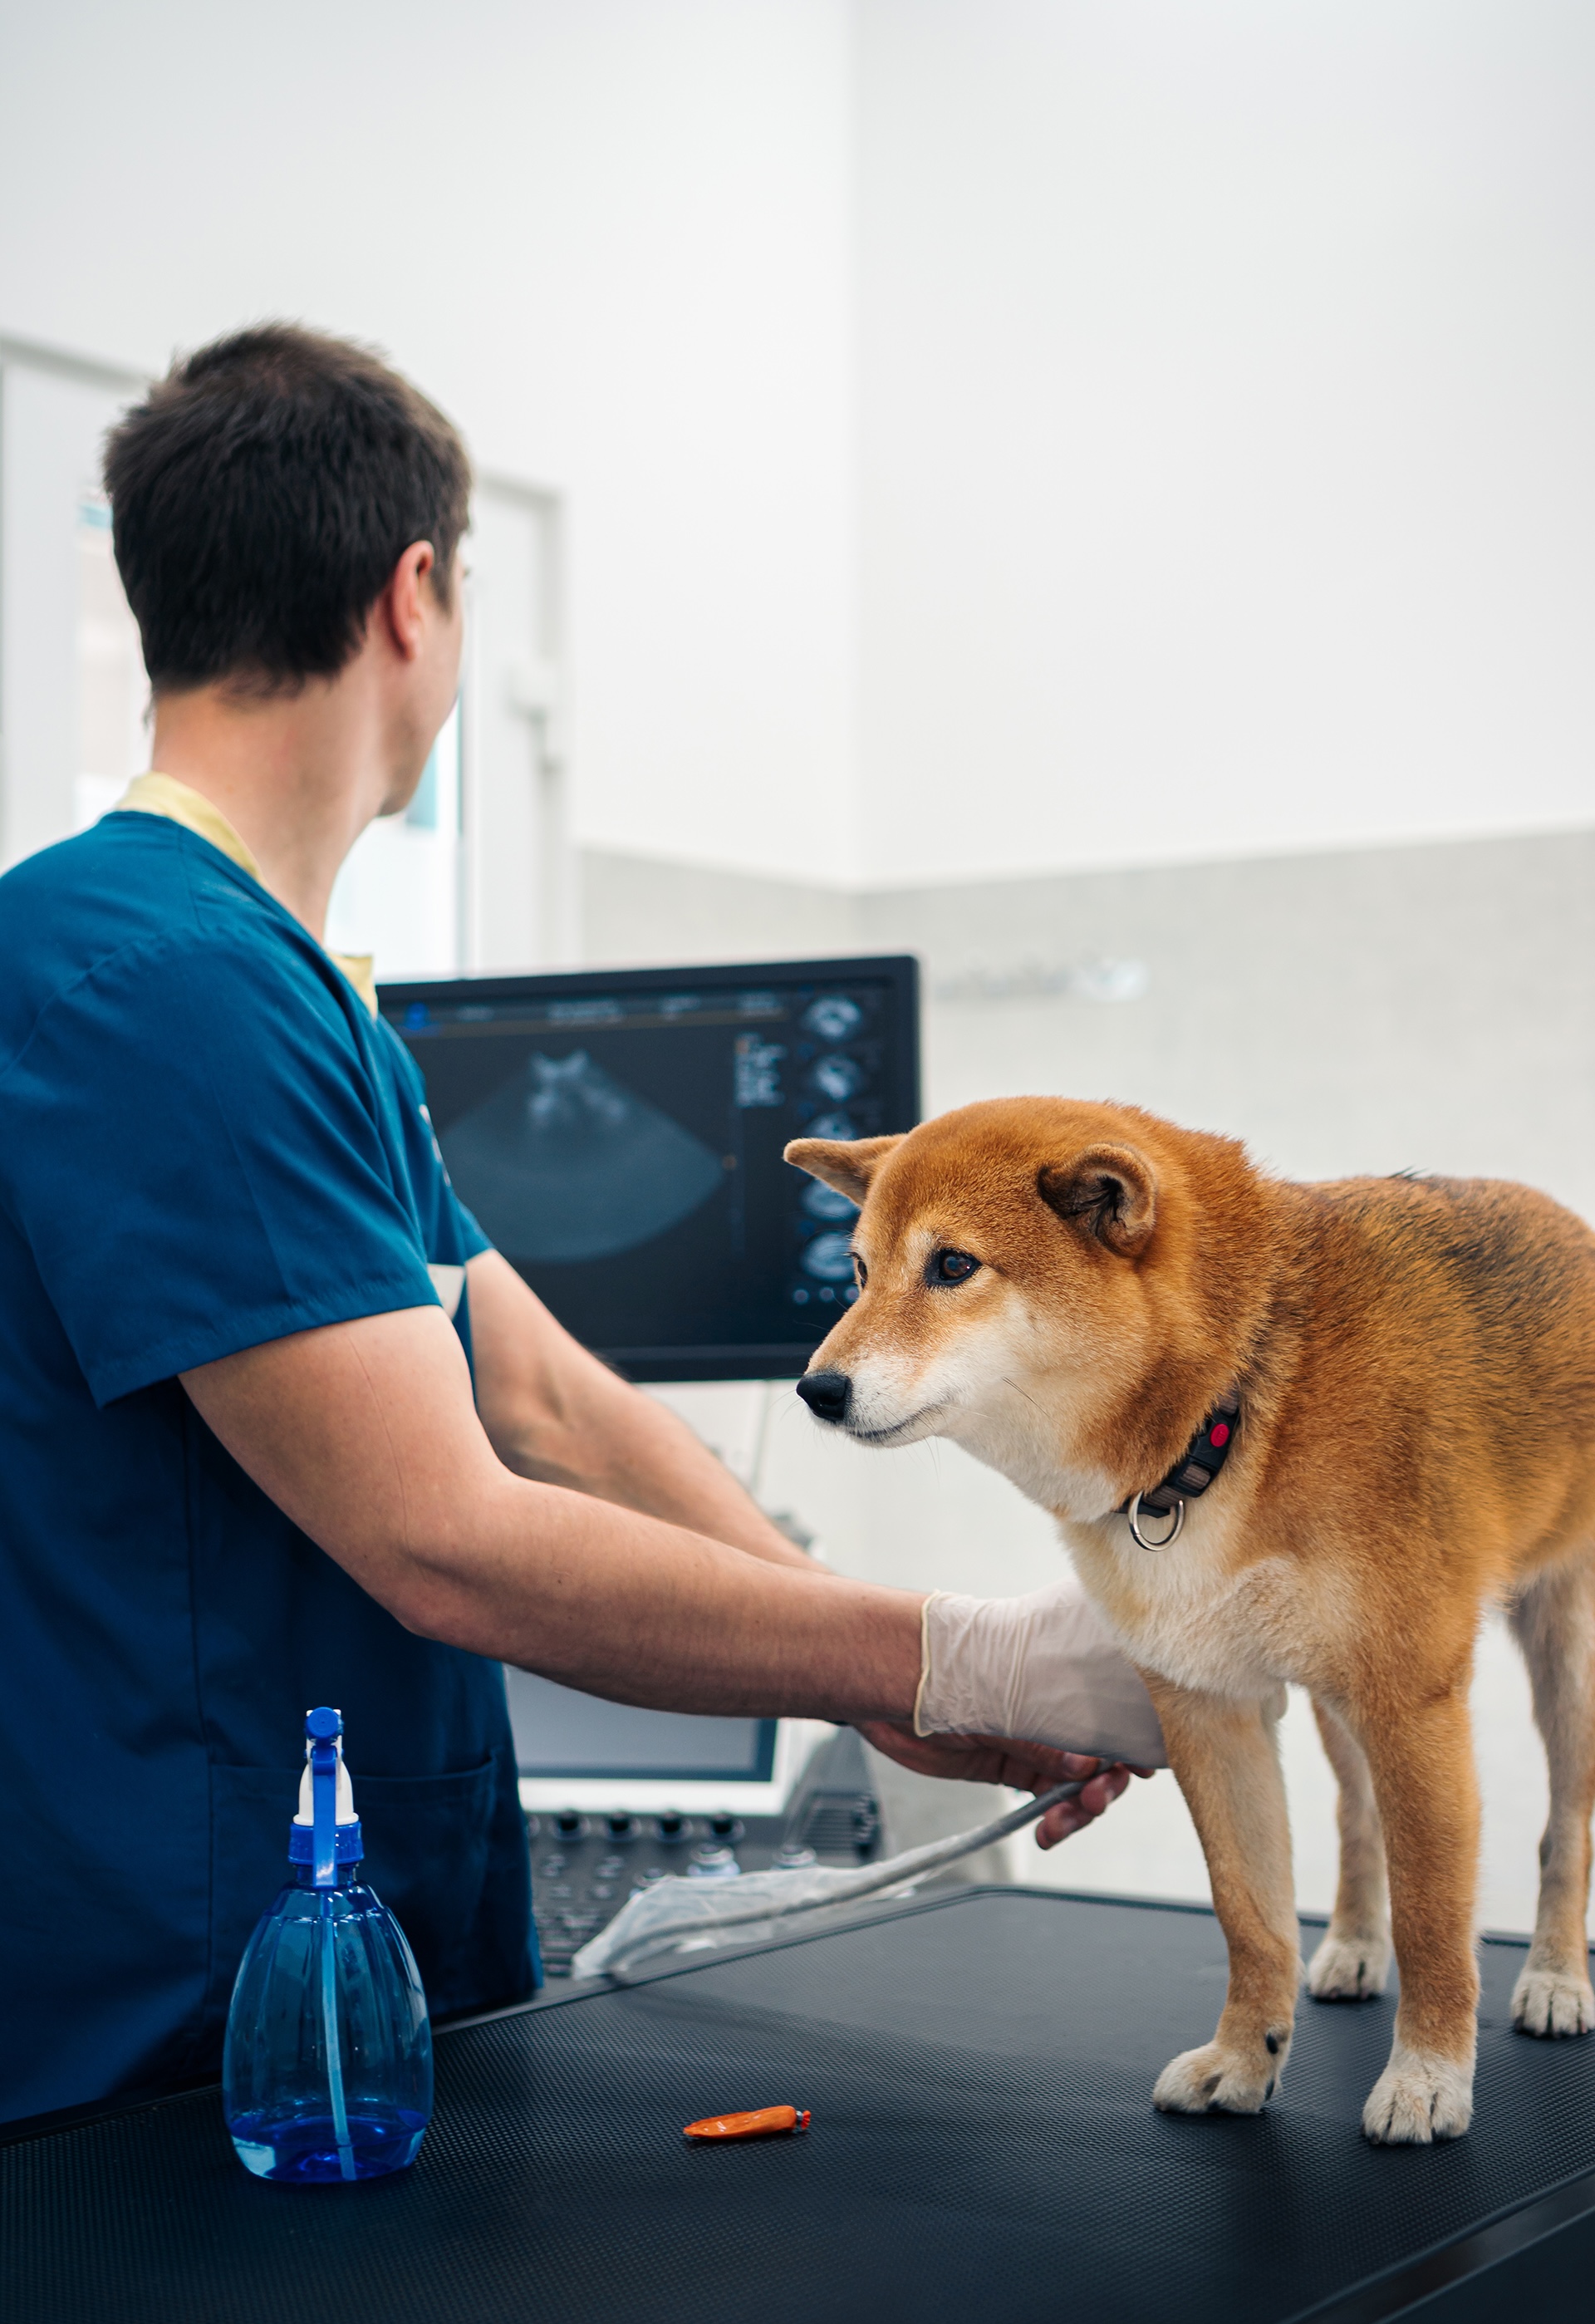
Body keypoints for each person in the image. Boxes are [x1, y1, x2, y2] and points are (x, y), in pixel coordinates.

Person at [0, 326, 1159, 2126]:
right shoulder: (162, 989)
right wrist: (970, 1651)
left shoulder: (285, 995)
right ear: (414, 599)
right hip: (192, 2033)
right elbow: (445, 1536)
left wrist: (879, 1665)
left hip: (332, 1975)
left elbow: (541, 1399)